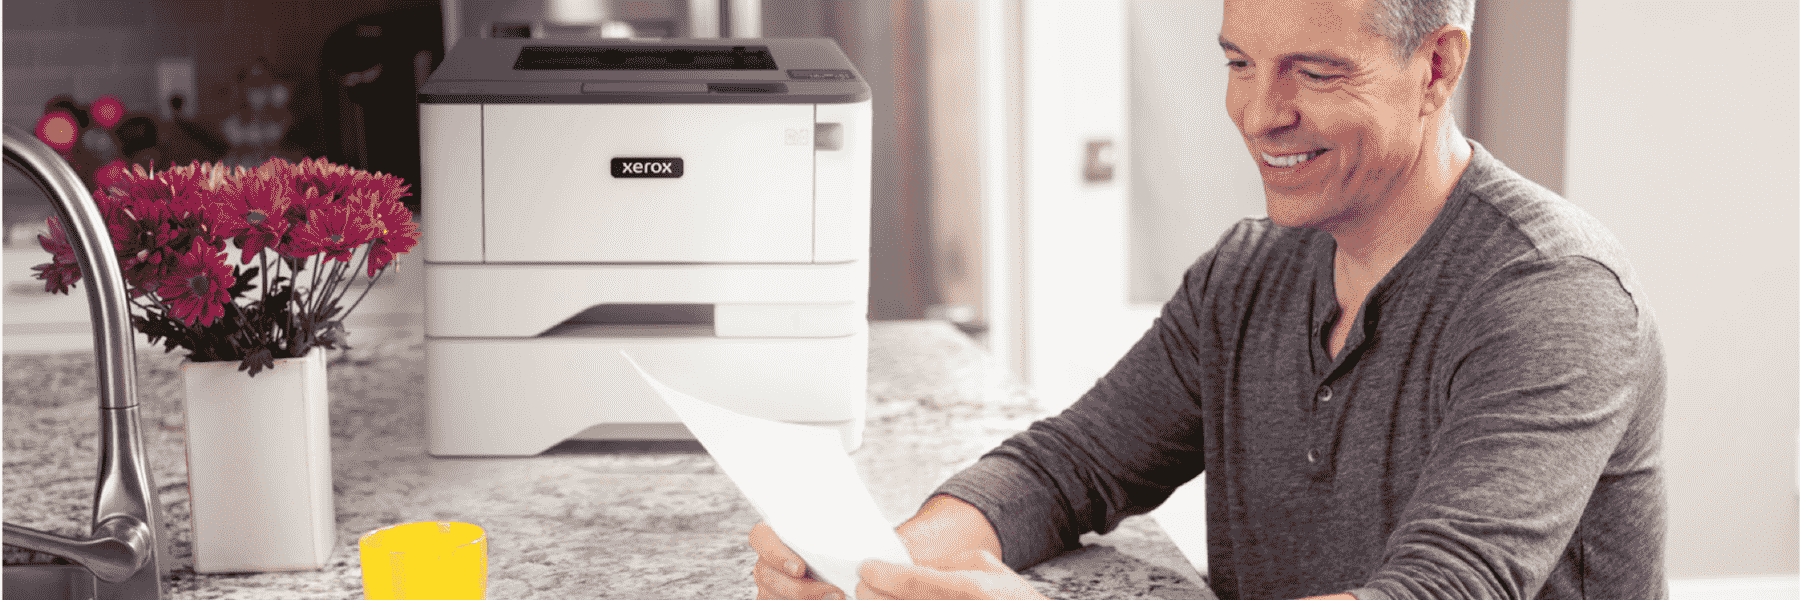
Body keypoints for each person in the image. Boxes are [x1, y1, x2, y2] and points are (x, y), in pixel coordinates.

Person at [752, 0, 1667, 597]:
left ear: (1435, 68)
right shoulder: (1247, 273)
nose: (1260, 114)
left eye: (1314, 71)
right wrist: (884, 561)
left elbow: (1441, 590)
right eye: (1239, 62)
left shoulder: (1552, 297)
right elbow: (1068, 465)